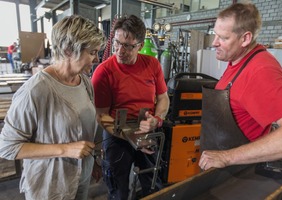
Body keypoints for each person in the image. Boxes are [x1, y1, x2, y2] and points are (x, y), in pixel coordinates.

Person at [0, 15, 106, 200]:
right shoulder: (35, 91)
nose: (96, 59)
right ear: (68, 50)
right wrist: (65, 149)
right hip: (50, 186)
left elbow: (87, 127)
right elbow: (8, 147)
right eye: (92, 52)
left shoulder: (85, 82)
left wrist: (95, 160)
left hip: (81, 178)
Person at [198, 2, 282, 171]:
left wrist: (227, 157)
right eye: (215, 35)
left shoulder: (260, 70)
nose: (214, 43)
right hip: (218, 169)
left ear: (245, 38)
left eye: (223, 38)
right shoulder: (238, 61)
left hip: (238, 174)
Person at [91, 15, 170, 199]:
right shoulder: (103, 72)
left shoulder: (152, 64)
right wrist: (133, 138)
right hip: (115, 133)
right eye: (117, 43)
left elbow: (163, 98)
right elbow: (101, 116)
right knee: (118, 191)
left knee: (152, 185)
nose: (119, 50)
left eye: (127, 46)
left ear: (140, 46)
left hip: (146, 129)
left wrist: (157, 120)